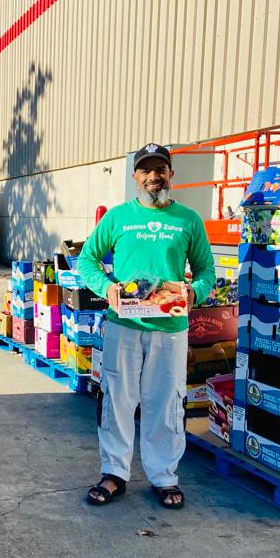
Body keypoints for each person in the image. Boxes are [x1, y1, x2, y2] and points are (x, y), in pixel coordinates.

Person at [77, 143, 214, 509]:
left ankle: (164, 476)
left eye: (161, 169)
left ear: (171, 174)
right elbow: (87, 260)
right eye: (146, 170)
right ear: (136, 177)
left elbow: (206, 271)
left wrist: (191, 293)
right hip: (124, 323)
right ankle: (114, 474)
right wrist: (106, 287)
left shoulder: (189, 220)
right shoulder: (118, 218)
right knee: (117, 400)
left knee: (166, 401)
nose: (154, 176)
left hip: (169, 329)